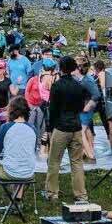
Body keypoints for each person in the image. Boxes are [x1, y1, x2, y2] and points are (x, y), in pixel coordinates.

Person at [44, 56, 87, 202]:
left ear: (60, 68)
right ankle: (81, 195)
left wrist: (50, 128)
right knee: (77, 162)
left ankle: (52, 193)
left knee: (54, 161)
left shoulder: (57, 85)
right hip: (76, 126)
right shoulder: (79, 85)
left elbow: (53, 109)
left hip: (61, 127)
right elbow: (81, 107)